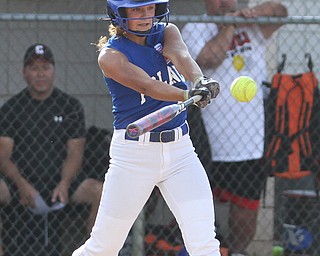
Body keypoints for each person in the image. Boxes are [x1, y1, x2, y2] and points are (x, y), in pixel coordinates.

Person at [72, 0, 221, 255]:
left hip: (181, 153)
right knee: (104, 248)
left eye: (149, 8)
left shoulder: (166, 32)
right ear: (119, 15)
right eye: (137, 9)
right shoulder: (110, 56)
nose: (145, 15)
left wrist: (199, 79)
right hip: (134, 156)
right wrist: (186, 94)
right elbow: (147, 86)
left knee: (204, 242)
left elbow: (181, 56)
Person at [181, 1, 288, 255]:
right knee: (196, 203)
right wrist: (229, 25)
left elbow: (281, 12)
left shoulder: (251, 26)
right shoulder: (195, 28)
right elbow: (209, 59)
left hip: (249, 140)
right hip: (207, 139)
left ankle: (238, 252)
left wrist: (252, 14)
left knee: (246, 205)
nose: (224, 3)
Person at [0, 44, 103, 255]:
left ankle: (95, 251)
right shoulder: (11, 108)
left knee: (101, 191)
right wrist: (21, 184)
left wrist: (64, 183)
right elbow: (3, 156)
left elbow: (75, 153)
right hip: (21, 182)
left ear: (53, 70)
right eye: (34, 68)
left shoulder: (70, 106)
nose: (40, 74)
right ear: (24, 72)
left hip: (61, 182)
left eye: (45, 67)